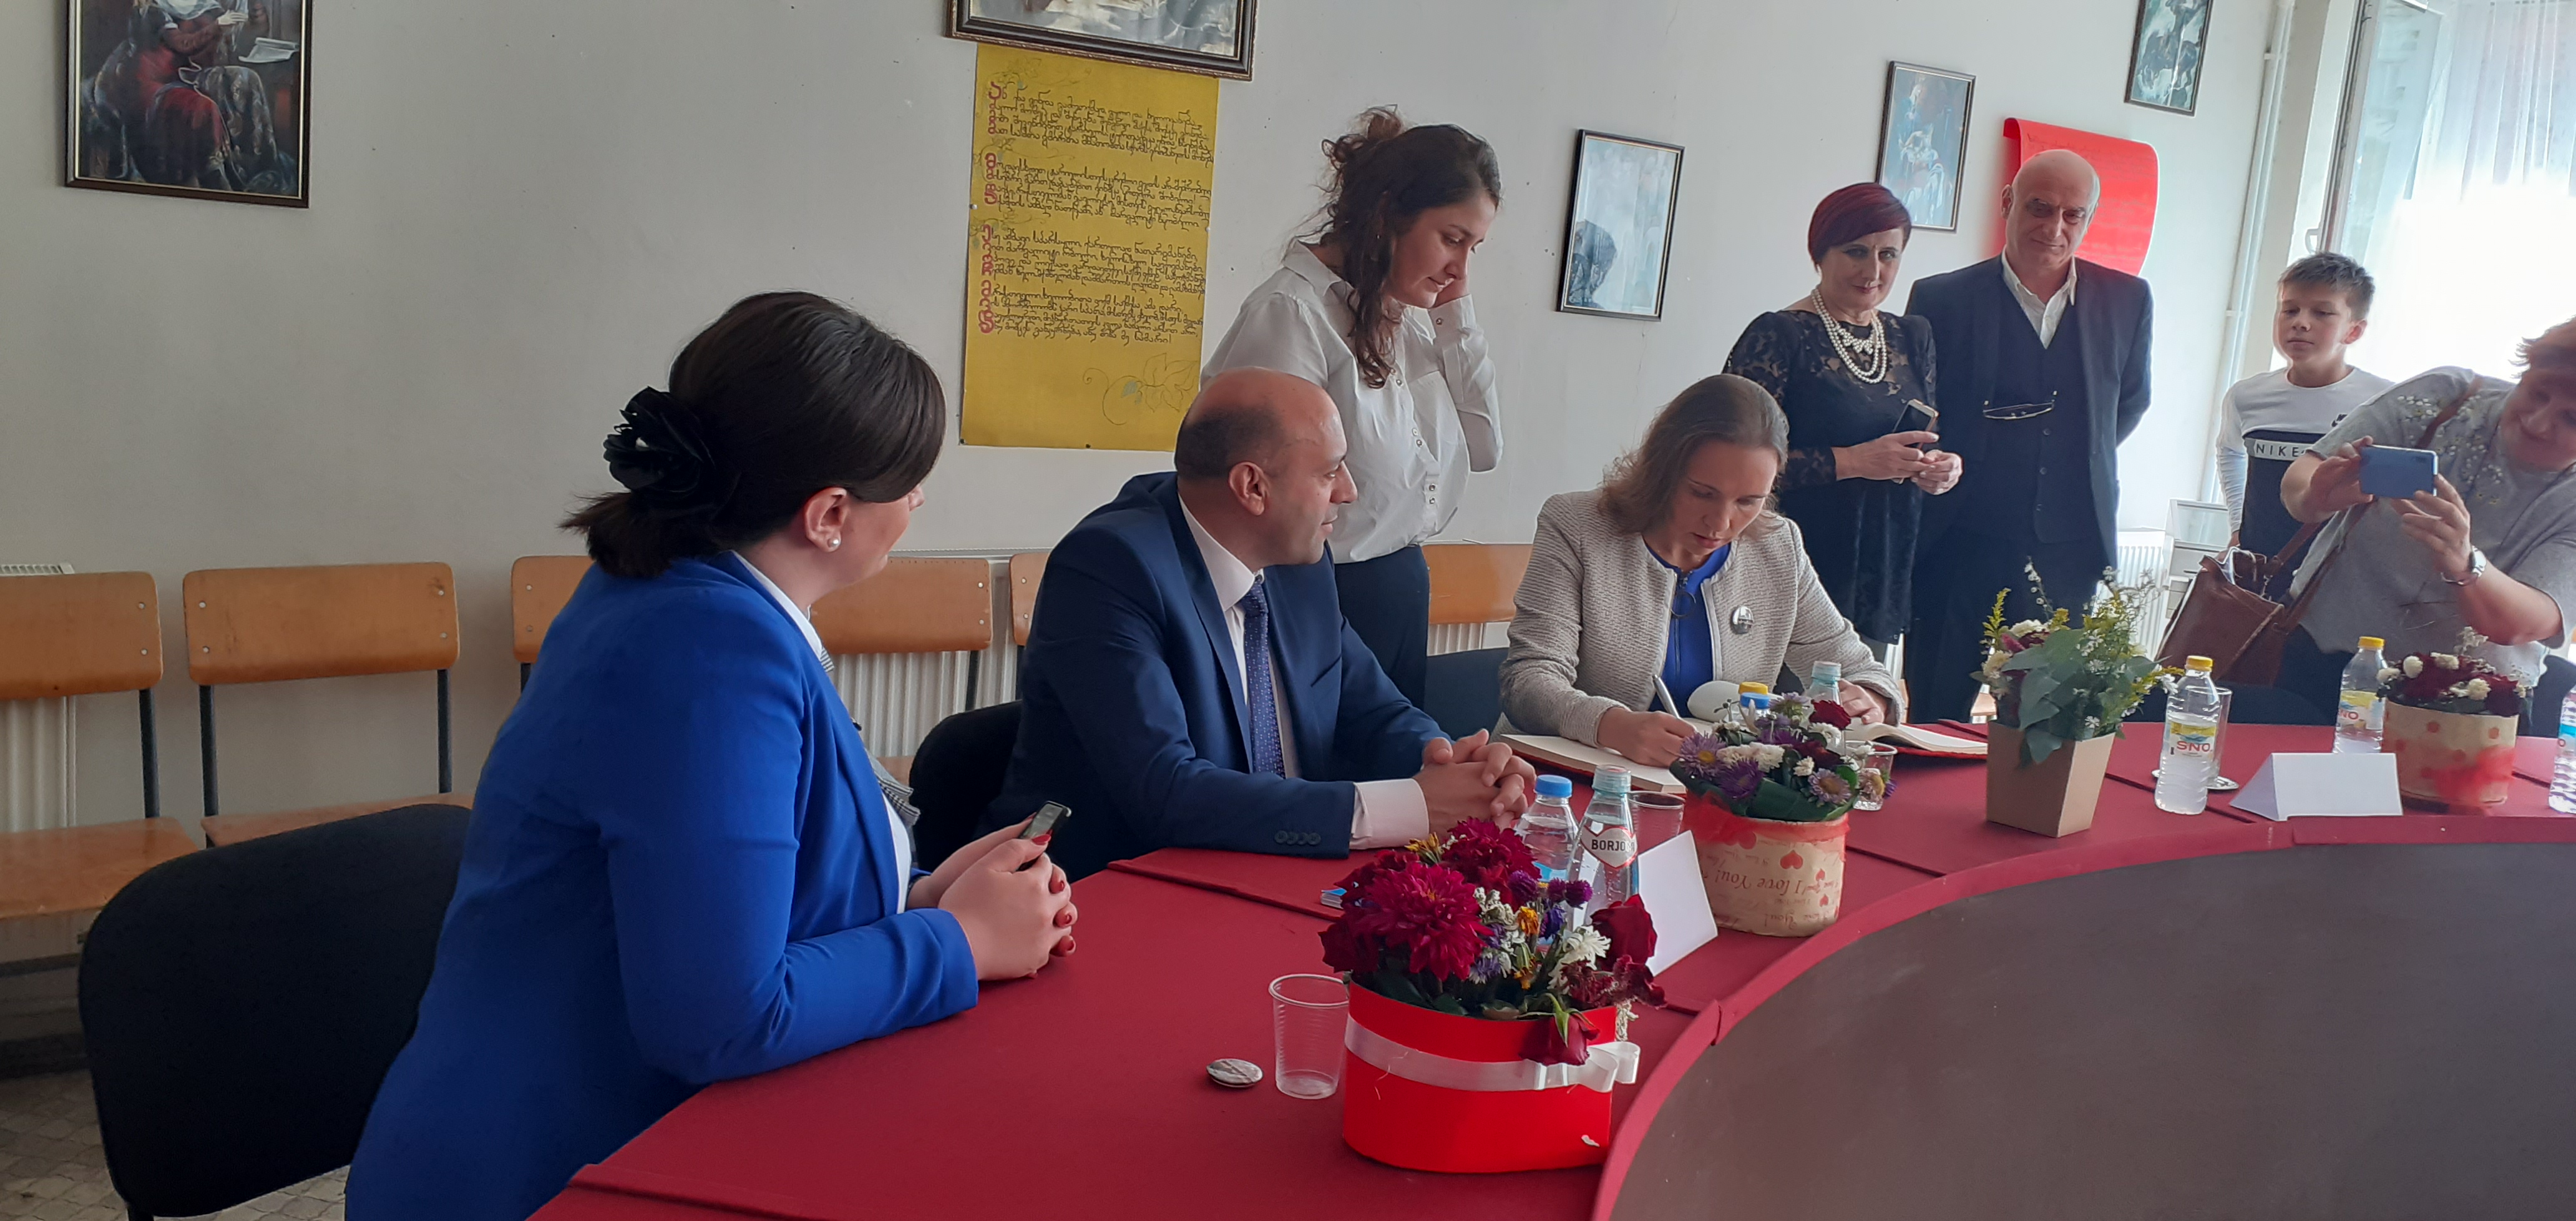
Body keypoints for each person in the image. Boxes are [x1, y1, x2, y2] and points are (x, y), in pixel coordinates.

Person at [350, 294, 1078, 1221]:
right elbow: (721, 1017)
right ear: (829, 514)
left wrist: (922, 895)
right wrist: (961, 943)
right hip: (544, 1175)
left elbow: (732, 889)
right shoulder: (710, 654)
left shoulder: (684, 595)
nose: (919, 503)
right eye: (909, 483)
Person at [988, 368, 1535, 880]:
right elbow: (1165, 793)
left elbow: (1373, 711)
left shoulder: (1300, 562)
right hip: (1111, 891)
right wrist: (1411, 806)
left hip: (1275, 871)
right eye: (1329, 472)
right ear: (1252, 487)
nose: (1348, 491)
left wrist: (1454, 766)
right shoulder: (1110, 569)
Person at [1203, 107, 1504, 709]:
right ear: (1388, 215)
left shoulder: (1407, 318)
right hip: (1313, 597)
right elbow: (1254, 494)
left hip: (1399, 589)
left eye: (1475, 248)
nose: (1460, 270)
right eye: (1452, 240)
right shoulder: (1292, 314)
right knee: (1323, 764)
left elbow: (1484, 447)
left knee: (1400, 757)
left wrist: (1456, 316)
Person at [1501, 375, 1902, 769]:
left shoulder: (1778, 546)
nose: (1721, 523)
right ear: (1661, 471)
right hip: (1565, 779)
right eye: (1702, 494)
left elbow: (1860, 669)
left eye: (1748, 501)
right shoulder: (1577, 526)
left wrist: (1872, 699)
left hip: (1718, 788)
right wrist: (1611, 726)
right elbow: (1528, 682)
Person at [1903, 150, 2154, 723]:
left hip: (2068, 546)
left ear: (2088, 219)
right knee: (1937, 713)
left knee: (2047, 722)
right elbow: (1917, 406)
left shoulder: (2128, 299)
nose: (2054, 227)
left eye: (2073, 214)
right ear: (2007, 203)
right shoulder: (1940, 298)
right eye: (2040, 208)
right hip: (1957, 541)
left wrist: (2070, 457)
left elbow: (2130, 400)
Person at [2277, 318, 2576, 727]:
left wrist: (2466, 564)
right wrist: (2317, 496)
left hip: (2468, 708)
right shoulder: (2445, 396)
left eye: (2572, 419)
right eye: (2536, 393)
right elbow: (2301, 480)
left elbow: (2527, 622)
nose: (2538, 422)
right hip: (2320, 662)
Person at [1725, 182, 1961, 655]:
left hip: (1881, 566)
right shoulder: (1778, 335)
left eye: (1888, 255)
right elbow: (1732, 466)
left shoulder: (1913, 336)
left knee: (1857, 699)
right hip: (1793, 559)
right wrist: (1854, 461)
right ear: (1820, 252)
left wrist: (1938, 468)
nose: (1873, 271)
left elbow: (1922, 438)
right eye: (1856, 251)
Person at [2215, 253, 2394, 575]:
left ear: (2353, 331)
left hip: (2337, 575)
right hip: (2259, 571)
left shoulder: (2381, 401)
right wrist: (2238, 527)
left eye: (2322, 313)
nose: (2301, 322)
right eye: (2290, 310)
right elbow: (2229, 451)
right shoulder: (2247, 396)